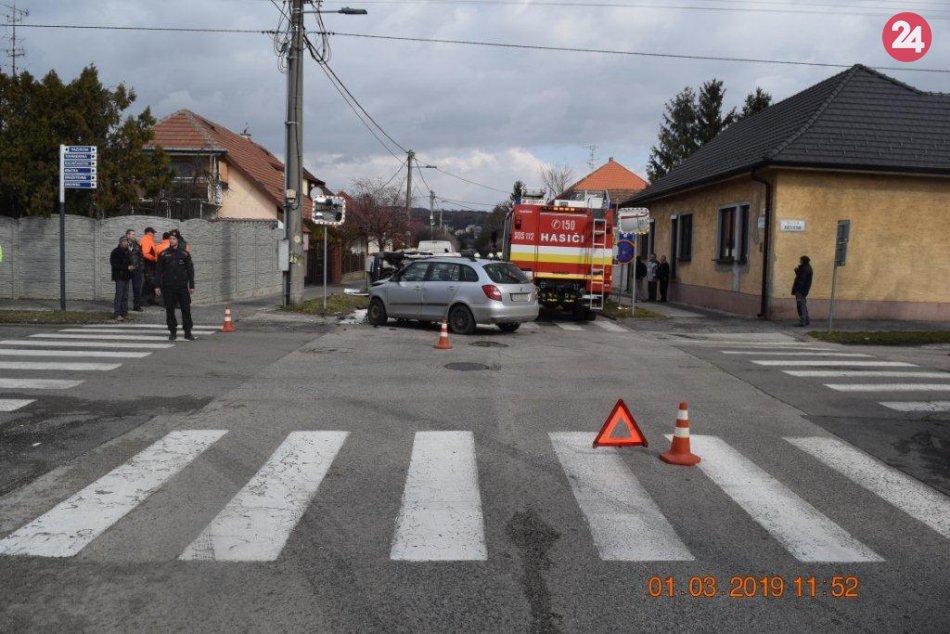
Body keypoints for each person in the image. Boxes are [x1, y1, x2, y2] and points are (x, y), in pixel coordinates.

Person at [154, 233, 196, 341]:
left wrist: (191, 285)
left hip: (182, 286)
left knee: (186, 309)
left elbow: (190, 271)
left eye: (174, 238)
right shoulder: (163, 254)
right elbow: (158, 271)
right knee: (170, 310)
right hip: (168, 286)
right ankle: (172, 331)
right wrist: (157, 286)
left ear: (178, 240)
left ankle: (188, 332)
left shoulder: (184, 254)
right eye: (170, 239)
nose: (172, 240)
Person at [110, 236, 133, 321]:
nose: (126, 243)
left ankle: (125, 313)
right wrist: (127, 267)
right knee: (119, 295)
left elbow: (130, 262)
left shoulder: (128, 251)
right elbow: (115, 265)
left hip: (126, 276)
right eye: (124, 241)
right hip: (119, 276)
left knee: (125, 296)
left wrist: (132, 267)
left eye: (127, 242)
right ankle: (117, 313)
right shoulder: (115, 252)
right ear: (120, 242)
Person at [126, 228, 144, 312]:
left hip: (137, 270)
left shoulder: (137, 245)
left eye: (134, 234)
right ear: (127, 235)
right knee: (124, 288)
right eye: (132, 234)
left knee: (137, 288)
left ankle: (137, 305)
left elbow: (141, 257)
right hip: (125, 270)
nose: (134, 236)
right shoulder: (123, 244)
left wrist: (140, 267)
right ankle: (123, 306)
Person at [792, 255, 813, 327]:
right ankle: (806, 320)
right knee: (803, 305)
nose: (799, 261)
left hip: (801, 290)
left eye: (800, 260)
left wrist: (798, 289)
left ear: (803, 261)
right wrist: (797, 272)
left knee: (800, 305)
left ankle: (802, 321)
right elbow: (802, 277)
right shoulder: (807, 268)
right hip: (803, 290)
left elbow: (802, 279)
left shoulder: (805, 269)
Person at [140, 227, 159, 306]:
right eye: (153, 232)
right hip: (148, 264)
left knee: (152, 282)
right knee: (148, 282)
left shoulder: (149, 240)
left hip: (151, 264)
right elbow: (145, 253)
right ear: (148, 232)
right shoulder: (146, 240)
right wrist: (154, 258)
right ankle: (143, 300)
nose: (154, 234)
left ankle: (151, 299)